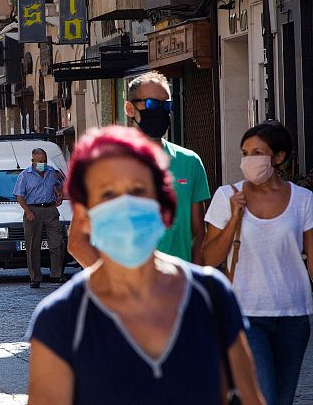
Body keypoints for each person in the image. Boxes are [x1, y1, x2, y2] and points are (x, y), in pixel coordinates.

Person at [27, 126, 264, 405]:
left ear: (163, 205)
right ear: (84, 215)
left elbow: (249, 398)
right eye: (107, 195)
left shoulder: (210, 296)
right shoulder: (61, 318)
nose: (125, 205)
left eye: (138, 190)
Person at [202, 121, 313, 405]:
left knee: (282, 399)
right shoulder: (227, 196)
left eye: (257, 153)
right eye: (245, 153)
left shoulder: (304, 200)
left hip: (294, 315)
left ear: (278, 157)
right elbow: (210, 257)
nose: (249, 160)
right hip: (245, 314)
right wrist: (234, 220)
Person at [68, 71, 210, 266]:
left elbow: (199, 233)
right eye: (151, 104)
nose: (160, 111)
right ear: (129, 108)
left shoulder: (190, 162)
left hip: (175, 289)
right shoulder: (103, 164)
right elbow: (77, 242)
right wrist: (115, 286)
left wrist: (192, 284)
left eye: (166, 105)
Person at [14, 148, 66, 288]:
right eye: (39, 161)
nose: (42, 163)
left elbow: (58, 187)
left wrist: (59, 195)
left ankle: (56, 275)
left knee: (57, 242)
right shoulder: (25, 175)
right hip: (32, 210)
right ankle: (35, 277)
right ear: (33, 161)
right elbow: (19, 196)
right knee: (32, 246)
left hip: (49, 209)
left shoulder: (51, 172)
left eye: (44, 160)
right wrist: (28, 211)